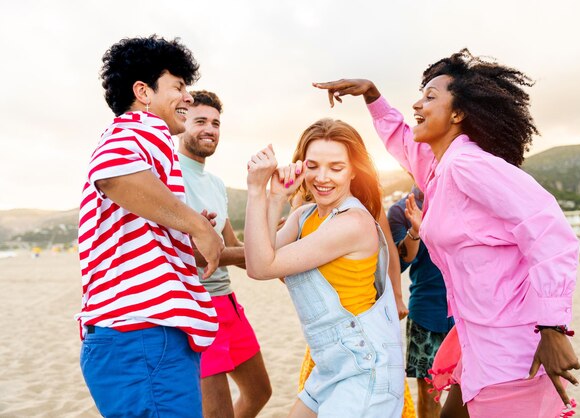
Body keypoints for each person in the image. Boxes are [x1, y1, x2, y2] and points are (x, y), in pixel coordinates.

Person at [313, 49, 580, 417]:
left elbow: (549, 229)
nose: (417, 103)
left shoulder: (468, 165)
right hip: (479, 342)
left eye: (430, 97)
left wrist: (553, 327)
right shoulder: (444, 167)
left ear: (458, 113)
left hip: (513, 349)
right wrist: (373, 97)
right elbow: (407, 147)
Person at [76, 35, 224, 418]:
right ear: (143, 92)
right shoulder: (138, 128)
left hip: (136, 338)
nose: (188, 98)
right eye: (178, 87)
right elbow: (111, 173)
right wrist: (197, 226)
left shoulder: (142, 138)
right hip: (140, 336)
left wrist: (182, 238)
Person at [244, 119, 405, 417]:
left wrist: (256, 190)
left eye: (336, 167)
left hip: (364, 367)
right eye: (313, 165)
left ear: (354, 170)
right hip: (329, 365)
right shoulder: (304, 216)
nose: (322, 177)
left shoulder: (353, 223)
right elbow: (258, 255)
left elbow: (262, 266)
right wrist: (276, 196)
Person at [177, 90, 272, 418]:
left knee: (260, 391)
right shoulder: (172, 175)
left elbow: (235, 249)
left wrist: (276, 241)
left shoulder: (216, 184)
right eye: (200, 121)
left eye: (216, 123)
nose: (210, 129)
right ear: (182, 122)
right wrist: (233, 252)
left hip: (227, 302)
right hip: (196, 308)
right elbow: (196, 255)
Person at [388, 186, 454, 418]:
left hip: (470, 314)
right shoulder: (399, 211)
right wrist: (415, 231)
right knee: (429, 396)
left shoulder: (463, 196)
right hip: (426, 313)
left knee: (470, 393)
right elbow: (399, 265)